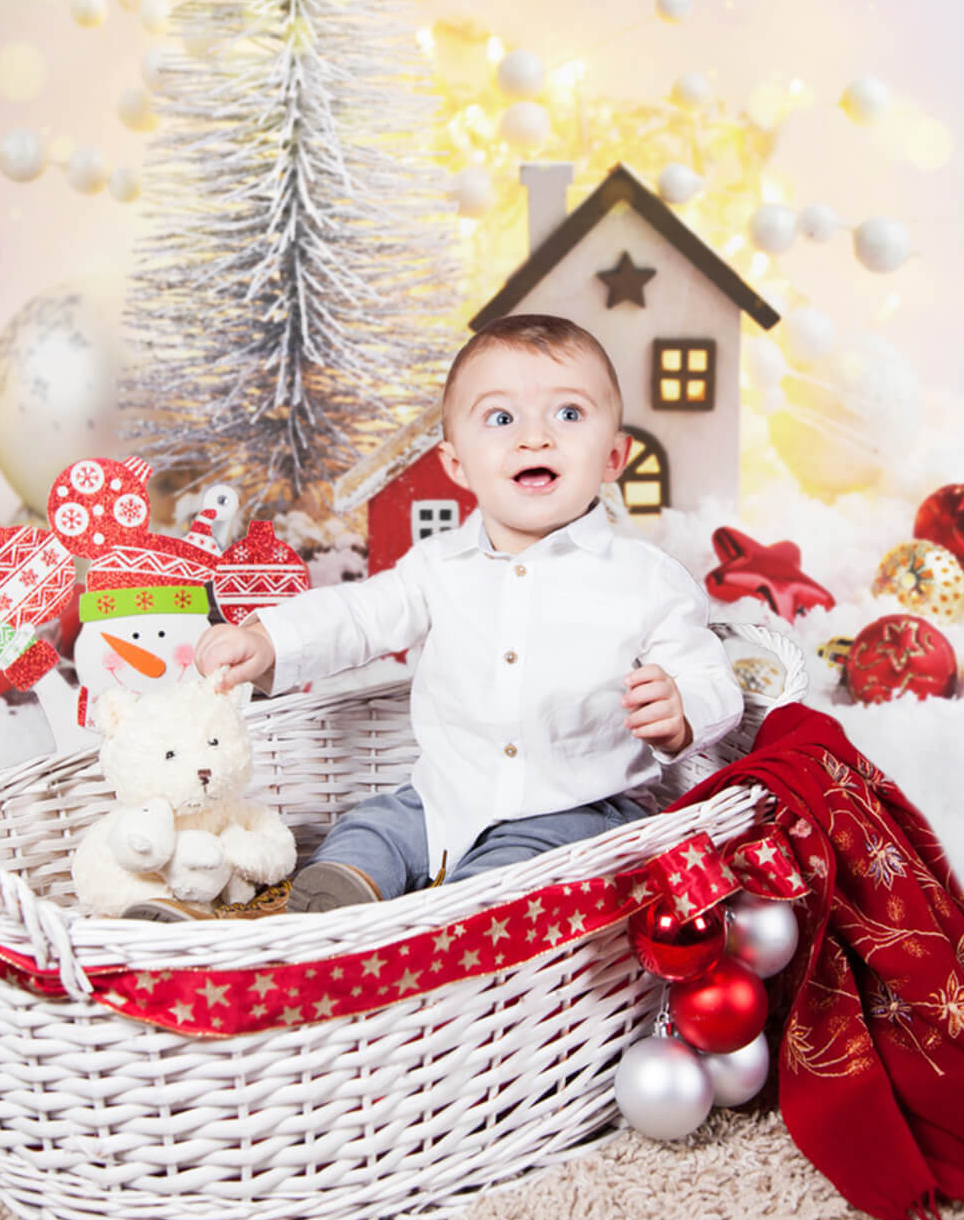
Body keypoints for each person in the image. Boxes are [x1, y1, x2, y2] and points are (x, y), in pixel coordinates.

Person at [195, 314, 744, 913]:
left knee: (511, 878)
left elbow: (708, 676)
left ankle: (456, 924)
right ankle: (339, 901)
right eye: (501, 419)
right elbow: (360, 615)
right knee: (371, 828)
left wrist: (681, 711)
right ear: (456, 466)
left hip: (572, 812)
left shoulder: (644, 578)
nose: (534, 439)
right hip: (439, 798)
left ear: (613, 456)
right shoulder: (437, 565)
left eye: (568, 414)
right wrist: (272, 639)